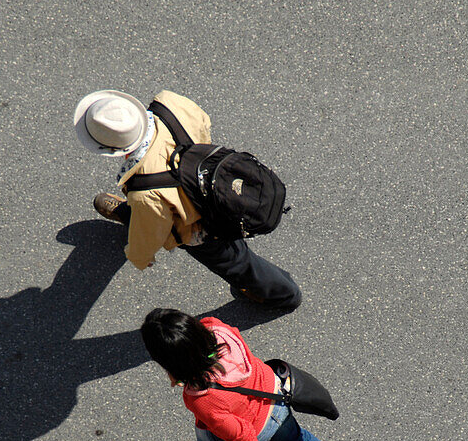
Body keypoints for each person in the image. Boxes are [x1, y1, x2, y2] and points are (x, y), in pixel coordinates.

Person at [73, 89, 302, 309]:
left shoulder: (144, 189)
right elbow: (204, 124)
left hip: (199, 224)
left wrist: (139, 256)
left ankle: (284, 294)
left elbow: (152, 233)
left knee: (235, 262)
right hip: (209, 182)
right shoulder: (168, 104)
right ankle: (134, 216)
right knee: (151, 210)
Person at [140, 308, 366, 441]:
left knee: (208, 437)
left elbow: (240, 434)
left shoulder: (201, 398)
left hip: (256, 428)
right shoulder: (217, 329)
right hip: (274, 396)